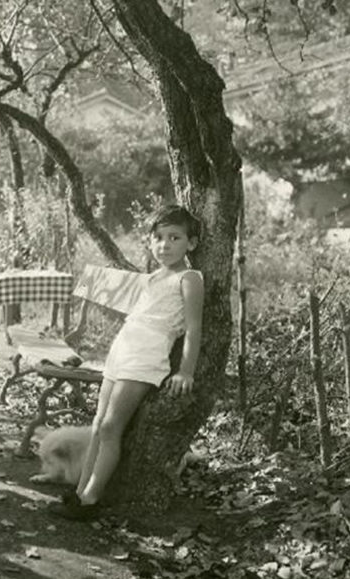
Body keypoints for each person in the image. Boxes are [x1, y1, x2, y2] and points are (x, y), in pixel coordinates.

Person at [49, 204, 205, 520]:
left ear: (191, 243)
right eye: (158, 237)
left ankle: (92, 499)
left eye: (174, 237)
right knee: (97, 424)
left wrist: (186, 370)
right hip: (123, 350)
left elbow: (193, 327)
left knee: (110, 426)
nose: (165, 244)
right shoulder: (153, 278)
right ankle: (79, 492)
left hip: (147, 356)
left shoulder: (189, 278)